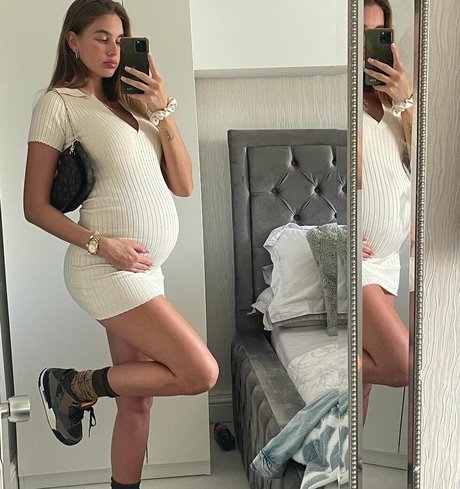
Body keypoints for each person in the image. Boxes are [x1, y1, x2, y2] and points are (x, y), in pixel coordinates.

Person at [23, 1, 219, 488]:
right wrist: (101, 244)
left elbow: (183, 184)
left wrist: (163, 110)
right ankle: (72, 385)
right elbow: (35, 207)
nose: (113, 50)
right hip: (105, 269)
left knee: (137, 403)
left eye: (120, 40)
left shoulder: (136, 108)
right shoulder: (60, 104)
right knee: (200, 372)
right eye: (101, 38)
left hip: (143, 271)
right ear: (73, 41)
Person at [360, 0, 413, 422]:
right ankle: (322, 360)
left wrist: (406, 101)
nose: (367, 46)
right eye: (358, 34)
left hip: (388, 260)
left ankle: (348, 455)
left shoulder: (396, 106)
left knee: (365, 381)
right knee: (401, 365)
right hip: (357, 261)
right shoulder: (343, 101)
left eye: (376, 35)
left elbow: (426, 164)